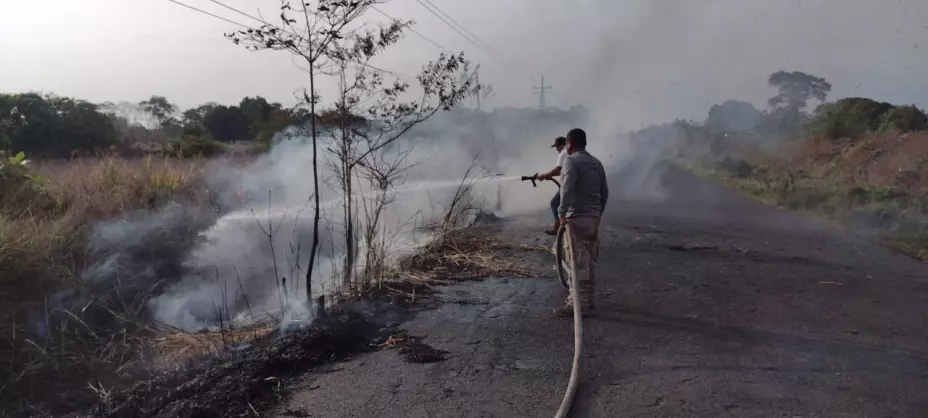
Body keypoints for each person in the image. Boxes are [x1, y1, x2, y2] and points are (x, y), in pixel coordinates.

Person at [555, 128, 608, 317]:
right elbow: (605, 192)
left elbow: (567, 189)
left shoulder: (570, 161)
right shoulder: (597, 163)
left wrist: (561, 214)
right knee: (590, 259)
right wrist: (597, 213)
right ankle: (589, 299)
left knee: (575, 262)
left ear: (569, 143)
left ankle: (577, 303)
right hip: (593, 218)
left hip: (576, 217)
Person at [537, 136, 568, 235]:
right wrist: (548, 175)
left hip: (568, 184)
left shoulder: (563, 153)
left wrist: (545, 175)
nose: (556, 149)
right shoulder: (570, 152)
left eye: (557, 146)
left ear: (562, 145)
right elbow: (562, 172)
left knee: (554, 203)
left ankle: (558, 227)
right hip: (575, 184)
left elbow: (557, 170)